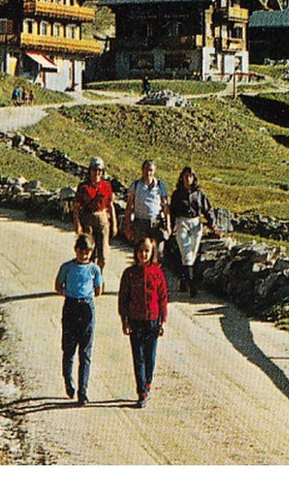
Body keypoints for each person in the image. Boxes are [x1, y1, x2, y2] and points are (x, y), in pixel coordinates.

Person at [118, 237, 169, 408]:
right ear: (136, 253)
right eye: (141, 251)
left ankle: (147, 382)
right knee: (138, 357)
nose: (143, 254)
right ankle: (141, 391)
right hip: (135, 320)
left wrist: (163, 320)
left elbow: (162, 298)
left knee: (150, 356)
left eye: (147, 251)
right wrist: (124, 319)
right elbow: (123, 299)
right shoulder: (130, 274)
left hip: (153, 320)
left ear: (152, 252)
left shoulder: (157, 273)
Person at [54, 234, 103, 404]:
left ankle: (83, 391)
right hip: (71, 306)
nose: (84, 255)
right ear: (76, 250)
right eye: (81, 251)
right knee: (68, 349)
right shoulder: (67, 267)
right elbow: (58, 285)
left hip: (87, 307)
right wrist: (70, 295)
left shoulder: (94, 269)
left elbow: (99, 289)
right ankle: (68, 381)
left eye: (87, 252)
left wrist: (86, 296)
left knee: (85, 352)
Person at [168, 166, 217, 296]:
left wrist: (213, 224)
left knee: (193, 254)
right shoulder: (177, 194)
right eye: (186, 176)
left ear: (194, 177)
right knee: (186, 252)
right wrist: (170, 227)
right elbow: (172, 212)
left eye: (190, 176)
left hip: (196, 223)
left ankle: (183, 280)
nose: (188, 178)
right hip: (182, 222)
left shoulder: (199, 193)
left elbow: (207, 209)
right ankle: (192, 285)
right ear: (182, 177)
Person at [73, 157, 115, 268]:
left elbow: (110, 204)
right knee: (88, 250)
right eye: (94, 170)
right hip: (87, 219)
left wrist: (114, 224)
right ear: (90, 171)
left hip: (102, 219)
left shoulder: (106, 186)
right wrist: (77, 223)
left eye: (99, 170)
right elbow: (76, 207)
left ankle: (99, 277)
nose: (97, 173)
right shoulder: (83, 187)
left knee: (103, 253)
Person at [126, 159, 170, 256]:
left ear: (154, 171)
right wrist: (128, 227)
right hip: (140, 223)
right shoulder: (135, 185)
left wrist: (168, 225)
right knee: (140, 253)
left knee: (158, 253)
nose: (148, 173)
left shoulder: (161, 186)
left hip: (156, 223)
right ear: (142, 170)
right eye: (146, 169)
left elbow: (165, 207)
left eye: (151, 170)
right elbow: (129, 207)